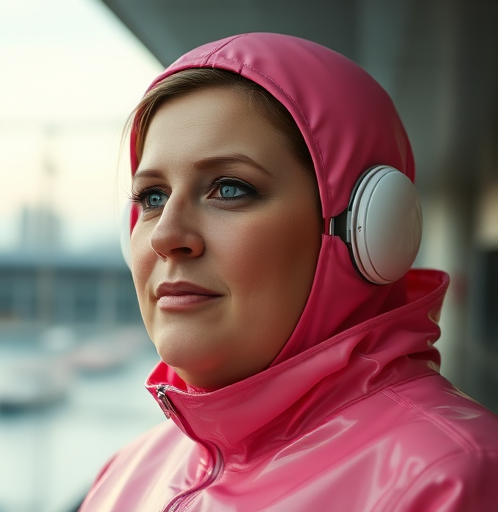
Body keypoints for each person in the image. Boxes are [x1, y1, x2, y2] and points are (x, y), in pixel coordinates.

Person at [79, 33, 498, 511]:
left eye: (230, 189)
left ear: (364, 228)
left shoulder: (451, 479)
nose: (165, 235)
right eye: (152, 197)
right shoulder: (127, 474)